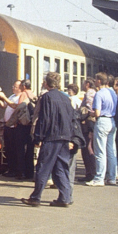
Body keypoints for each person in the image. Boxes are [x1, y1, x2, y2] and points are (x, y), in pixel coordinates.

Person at [24, 71, 78, 207]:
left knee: (43, 167)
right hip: (65, 137)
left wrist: (38, 137)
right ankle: (65, 198)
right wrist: (71, 138)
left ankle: (35, 197)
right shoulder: (66, 98)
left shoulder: (47, 97)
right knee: (61, 167)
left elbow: (44, 119)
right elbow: (72, 118)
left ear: (46, 83)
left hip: (51, 137)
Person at [86, 71, 117, 186]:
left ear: (99, 81)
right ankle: (112, 177)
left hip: (102, 121)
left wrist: (91, 113)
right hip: (112, 121)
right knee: (111, 151)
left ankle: (99, 178)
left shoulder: (99, 94)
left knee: (100, 151)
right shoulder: (112, 92)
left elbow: (97, 113)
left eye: (95, 80)